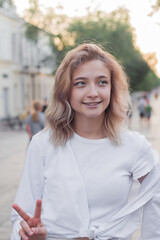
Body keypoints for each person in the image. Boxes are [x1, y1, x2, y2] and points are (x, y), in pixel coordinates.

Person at [10, 43, 160, 240]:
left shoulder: (135, 146)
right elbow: (22, 215)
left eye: (102, 82)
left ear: (113, 88)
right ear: (66, 91)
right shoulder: (43, 145)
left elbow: (156, 199)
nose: (93, 92)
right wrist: (29, 234)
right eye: (80, 83)